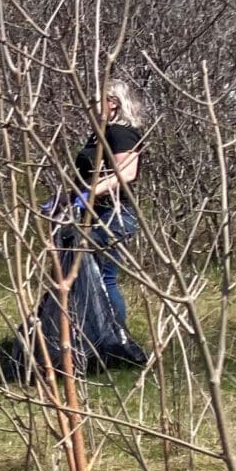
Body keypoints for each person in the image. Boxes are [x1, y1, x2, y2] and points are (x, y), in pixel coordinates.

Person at [76, 79, 147, 334]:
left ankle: (116, 338)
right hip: (94, 213)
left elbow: (127, 172)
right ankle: (92, 336)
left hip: (114, 214)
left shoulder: (120, 133)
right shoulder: (99, 134)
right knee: (84, 277)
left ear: (113, 103)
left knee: (103, 278)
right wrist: (66, 198)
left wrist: (90, 192)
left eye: (97, 100)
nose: (91, 105)